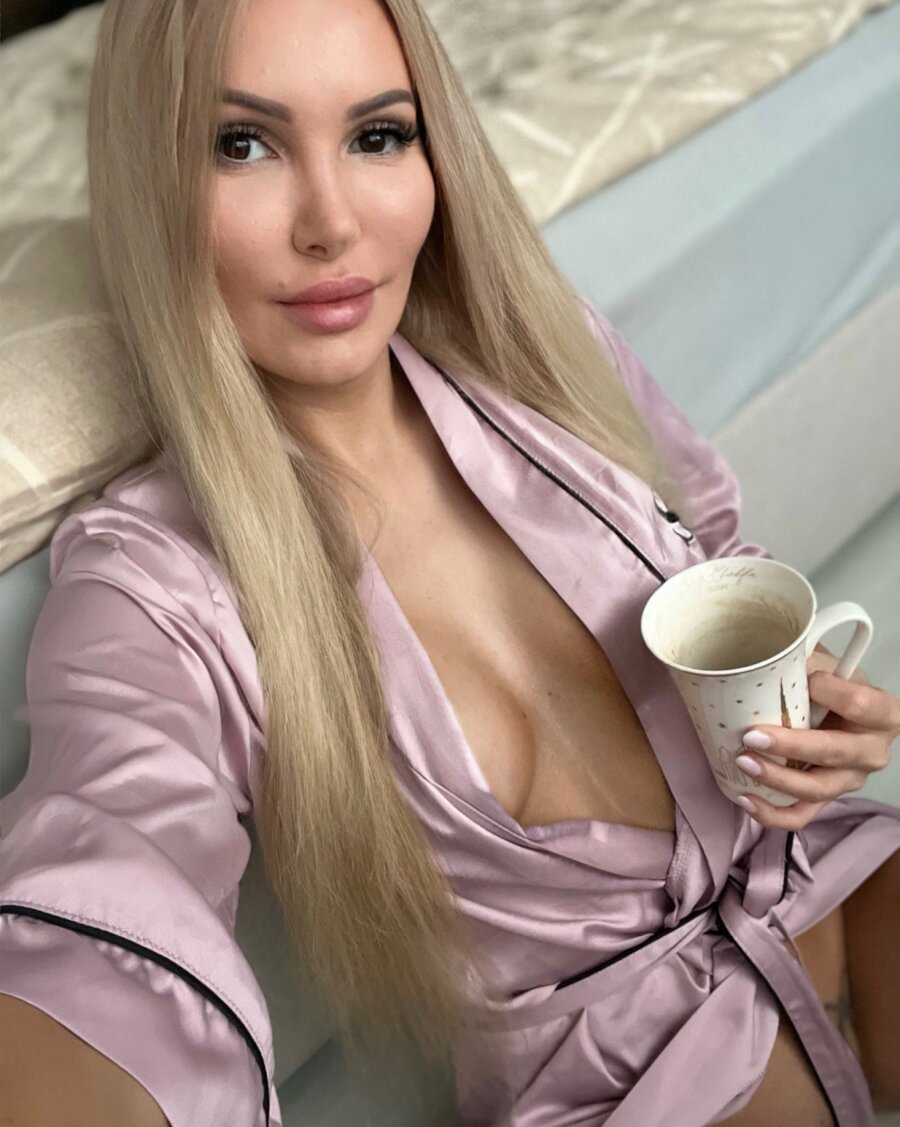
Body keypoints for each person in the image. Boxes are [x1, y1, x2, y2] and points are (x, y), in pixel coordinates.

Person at [0, 0, 897, 1124]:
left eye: (378, 134)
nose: (333, 224)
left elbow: (714, 548)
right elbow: (107, 876)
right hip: (639, 1081)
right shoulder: (156, 582)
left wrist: (813, 708)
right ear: (150, 178)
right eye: (242, 145)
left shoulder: (533, 347)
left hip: (831, 879)